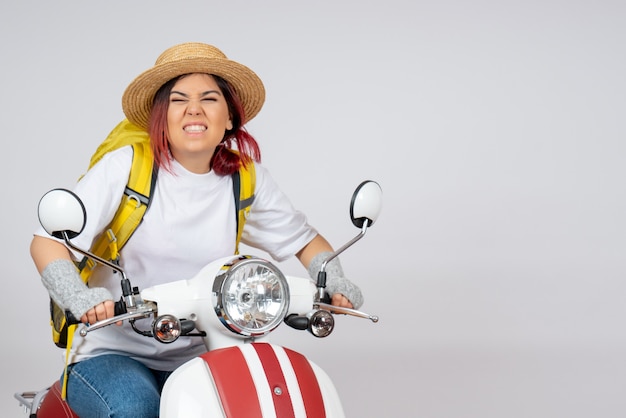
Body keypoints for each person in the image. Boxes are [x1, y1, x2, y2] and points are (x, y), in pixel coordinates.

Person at [30, 42, 363, 417]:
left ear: (230, 117)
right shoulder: (126, 167)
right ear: (161, 116)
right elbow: (47, 242)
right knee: (136, 409)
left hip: (201, 350)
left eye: (209, 98)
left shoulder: (245, 179)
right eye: (178, 100)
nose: (193, 109)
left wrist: (332, 278)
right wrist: (78, 297)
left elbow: (304, 240)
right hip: (112, 351)